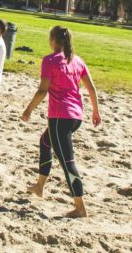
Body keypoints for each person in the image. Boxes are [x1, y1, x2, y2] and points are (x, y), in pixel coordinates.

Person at [21, 26, 102, 218]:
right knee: (45, 142)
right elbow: (91, 88)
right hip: (76, 117)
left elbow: (43, 90)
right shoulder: (77, 60)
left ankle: (80, 207)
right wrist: (96, 111)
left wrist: (28, 110)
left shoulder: (50, 60)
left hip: (60, 117)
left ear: (53, 41)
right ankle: (39, 186)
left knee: (67, 163)